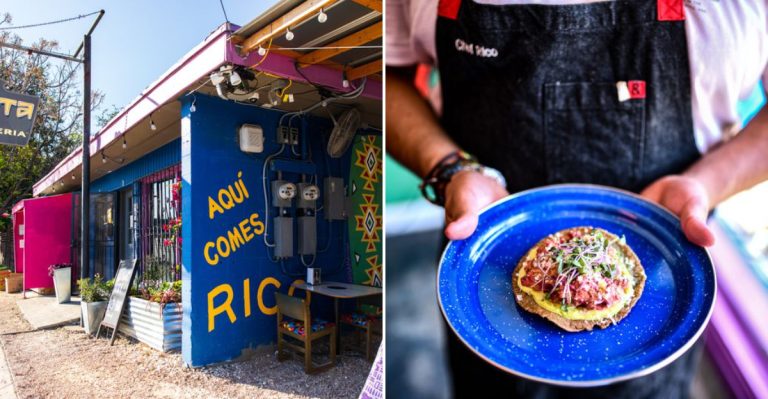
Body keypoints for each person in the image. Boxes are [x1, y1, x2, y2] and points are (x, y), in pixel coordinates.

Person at [386, 0, 768, 397]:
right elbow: (375, 74)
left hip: (663, 283)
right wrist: (450, 169)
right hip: (487, 275)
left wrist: (706, 184)